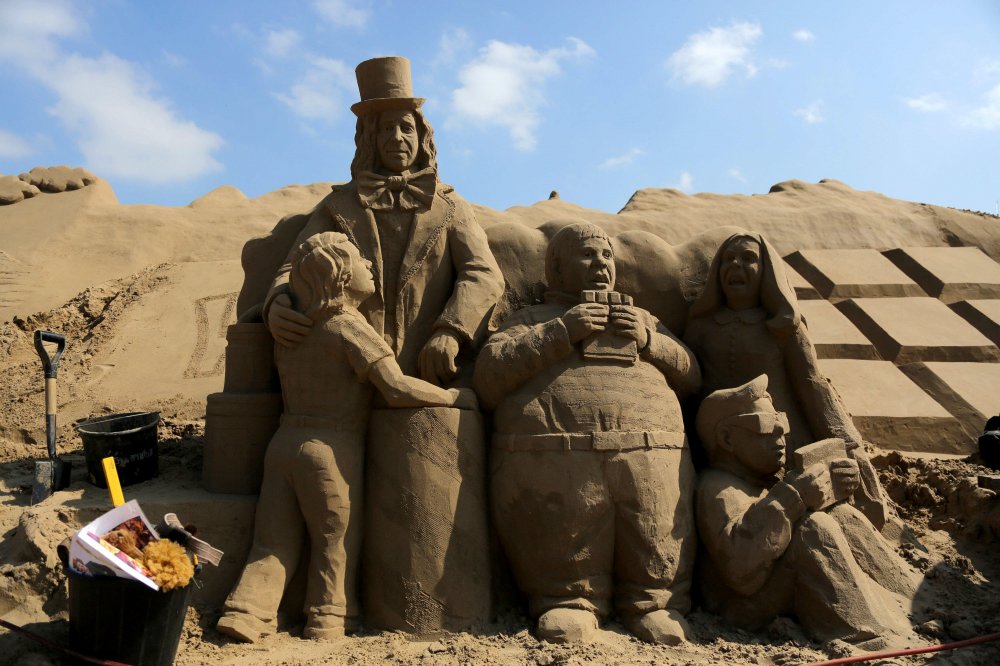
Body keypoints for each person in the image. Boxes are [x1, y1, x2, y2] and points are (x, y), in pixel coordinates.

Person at [217, 232, 476, 643]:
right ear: (340, 277)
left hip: (283, 443)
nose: (371, 266)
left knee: (272, 541)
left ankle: (247, 611)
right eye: (361, 260)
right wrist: (451, 396)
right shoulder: (350, 328)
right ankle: (328, 620)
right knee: (334, 541)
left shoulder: (292, 331)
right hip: (329, 450)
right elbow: (394, 388)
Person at [474, 223, 700, 645]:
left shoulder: (643, 320)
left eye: (607, 255)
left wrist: (650, 340)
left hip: (651, 459)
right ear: (556, 269)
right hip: (558, 466)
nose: (601, 264)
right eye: (587, 255)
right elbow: (489, 376)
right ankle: (567, 600)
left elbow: (692, 374)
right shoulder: (531, 319)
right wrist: (563, 331)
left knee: (653, 531)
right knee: (567, 533)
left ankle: (653, 602)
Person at [263, 56, 503, 387]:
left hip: (429, 368)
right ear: (370, 139)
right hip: (350, 373)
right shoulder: (338, 206)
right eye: (386, 128)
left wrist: (452, 330)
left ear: (422, 135)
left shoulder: (450, 207)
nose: (397, 137)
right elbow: (293, 265)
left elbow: (483, 274)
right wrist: (278, 302)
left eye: (406, 127)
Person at [695, 375, 919, 649]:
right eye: (766, 426)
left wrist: (835, 489)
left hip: (768, 587)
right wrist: (795, 497)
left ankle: (912, 602)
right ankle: (865, 635)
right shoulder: (717, 488)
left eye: (782, 423)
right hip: (741, 605)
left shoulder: (764, 480)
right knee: (815, 529)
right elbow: (740, 572)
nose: (780, 436)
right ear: (727, 438)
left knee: (841, 517)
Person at [684, 231, 890, 529]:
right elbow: (689, 390)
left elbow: (812, 387)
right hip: (722, 451)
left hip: (778, 446)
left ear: (767, 272)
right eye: (728, 259)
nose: (735, 265)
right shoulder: (701, 325)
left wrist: (847, 442)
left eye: (748, 259)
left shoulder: (783, 328)